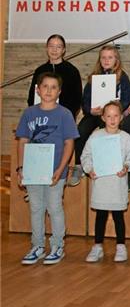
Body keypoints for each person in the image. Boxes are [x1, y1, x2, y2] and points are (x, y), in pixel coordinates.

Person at [17, 72, 79, 265]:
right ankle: (37, 245)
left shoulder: (64, 114)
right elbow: (23, 141)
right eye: (45, 86)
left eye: (53, 87)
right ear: (38, 89)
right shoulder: (29, 113)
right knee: (36, 208)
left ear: (59, 92)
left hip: (54, 171)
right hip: (34, 171)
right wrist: (21, 168)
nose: (49, 91)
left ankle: (57, 245)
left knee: (54, 207)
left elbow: (69, 144)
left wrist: (61, 169)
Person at [70, 45, 130, 187]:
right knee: (81, 131)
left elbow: (128, 97)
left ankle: (121, 166)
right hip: (96, 114)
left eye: (110, 57)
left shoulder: (122, 76)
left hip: (113, 115)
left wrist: (118, 107)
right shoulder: (94, 77)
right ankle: (79, 166)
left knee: (114, 134)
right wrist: (90, 110)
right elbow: (85, 99)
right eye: (103, 57)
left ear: (116, 60)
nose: (106, 60)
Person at [81, 101, 130, 263]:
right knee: (101, 216)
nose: (112, 119)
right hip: (101, 184)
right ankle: (97, 246)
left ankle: (121, 246)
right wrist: (90, 169)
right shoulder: (96, 136)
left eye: (116, 115)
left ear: (121, 117)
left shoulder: (125, 138)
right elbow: (86, 155)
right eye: (109, 116)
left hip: (117, 184)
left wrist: (126, 167)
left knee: (118, 216)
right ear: (103, 118)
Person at [27, 34, 82, 120]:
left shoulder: (72, 71)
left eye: (58, 47)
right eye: (51, 46)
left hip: (64, 118)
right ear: (46, 48)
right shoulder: (40, 71)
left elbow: (77, 99)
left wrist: (66, 115)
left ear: (63, 50)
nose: (54, 50)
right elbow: (32, 97)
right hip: (41, 117)